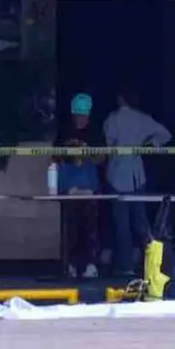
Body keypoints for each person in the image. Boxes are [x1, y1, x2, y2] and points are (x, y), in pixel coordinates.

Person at [103, 89, 172, 276]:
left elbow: (109, 147)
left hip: (116, 174)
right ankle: (153, 264)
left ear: (119, 98)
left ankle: (126, 266)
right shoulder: (143, 119)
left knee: (121, 224)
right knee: (141, 222)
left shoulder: (112, 119)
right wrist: (148, 145)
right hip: (137, 175)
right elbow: (165, 135)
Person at [53, 93, 104, 279]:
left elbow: (102, 159)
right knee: (70, 229)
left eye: (84, 115)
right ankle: (70, 265)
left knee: (91, 229)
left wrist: (86, 154)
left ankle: (91, 264)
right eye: (78, 114)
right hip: (70, 187)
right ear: (73, 114)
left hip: (90, 187)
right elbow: (54, 156)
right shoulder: (65, 131)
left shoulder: (95, 133)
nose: (81, 118)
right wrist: (69, 155)